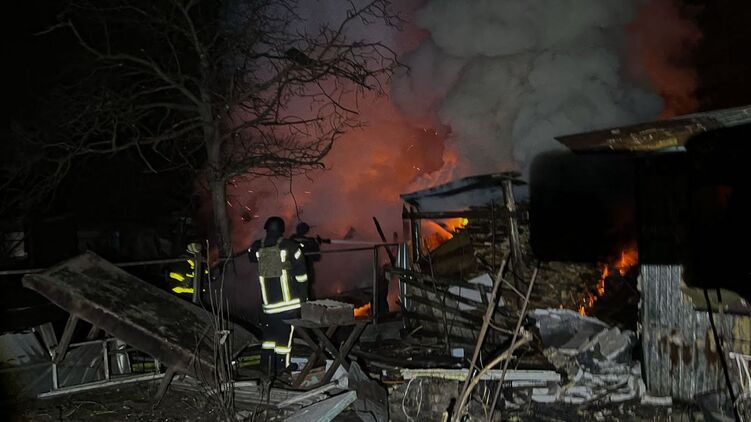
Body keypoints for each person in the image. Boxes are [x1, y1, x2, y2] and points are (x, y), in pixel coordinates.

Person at [248, 217, 308, 373]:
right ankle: (283, 367)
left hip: (268, 306)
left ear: (266, 229)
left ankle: (266, 366)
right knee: (284, 338)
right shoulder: (291, 247)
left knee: (268, 338)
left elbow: (250, 256)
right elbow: (301, 276)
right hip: (288, 305)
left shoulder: (257, 248)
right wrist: (304, 298)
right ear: (282, 229)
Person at [289, 222, 327, 301]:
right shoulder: (310, 243)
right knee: (308, 296)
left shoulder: (289, 241)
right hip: (306, 274)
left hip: (292, 274)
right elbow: (317, 257)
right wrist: (316, 245)